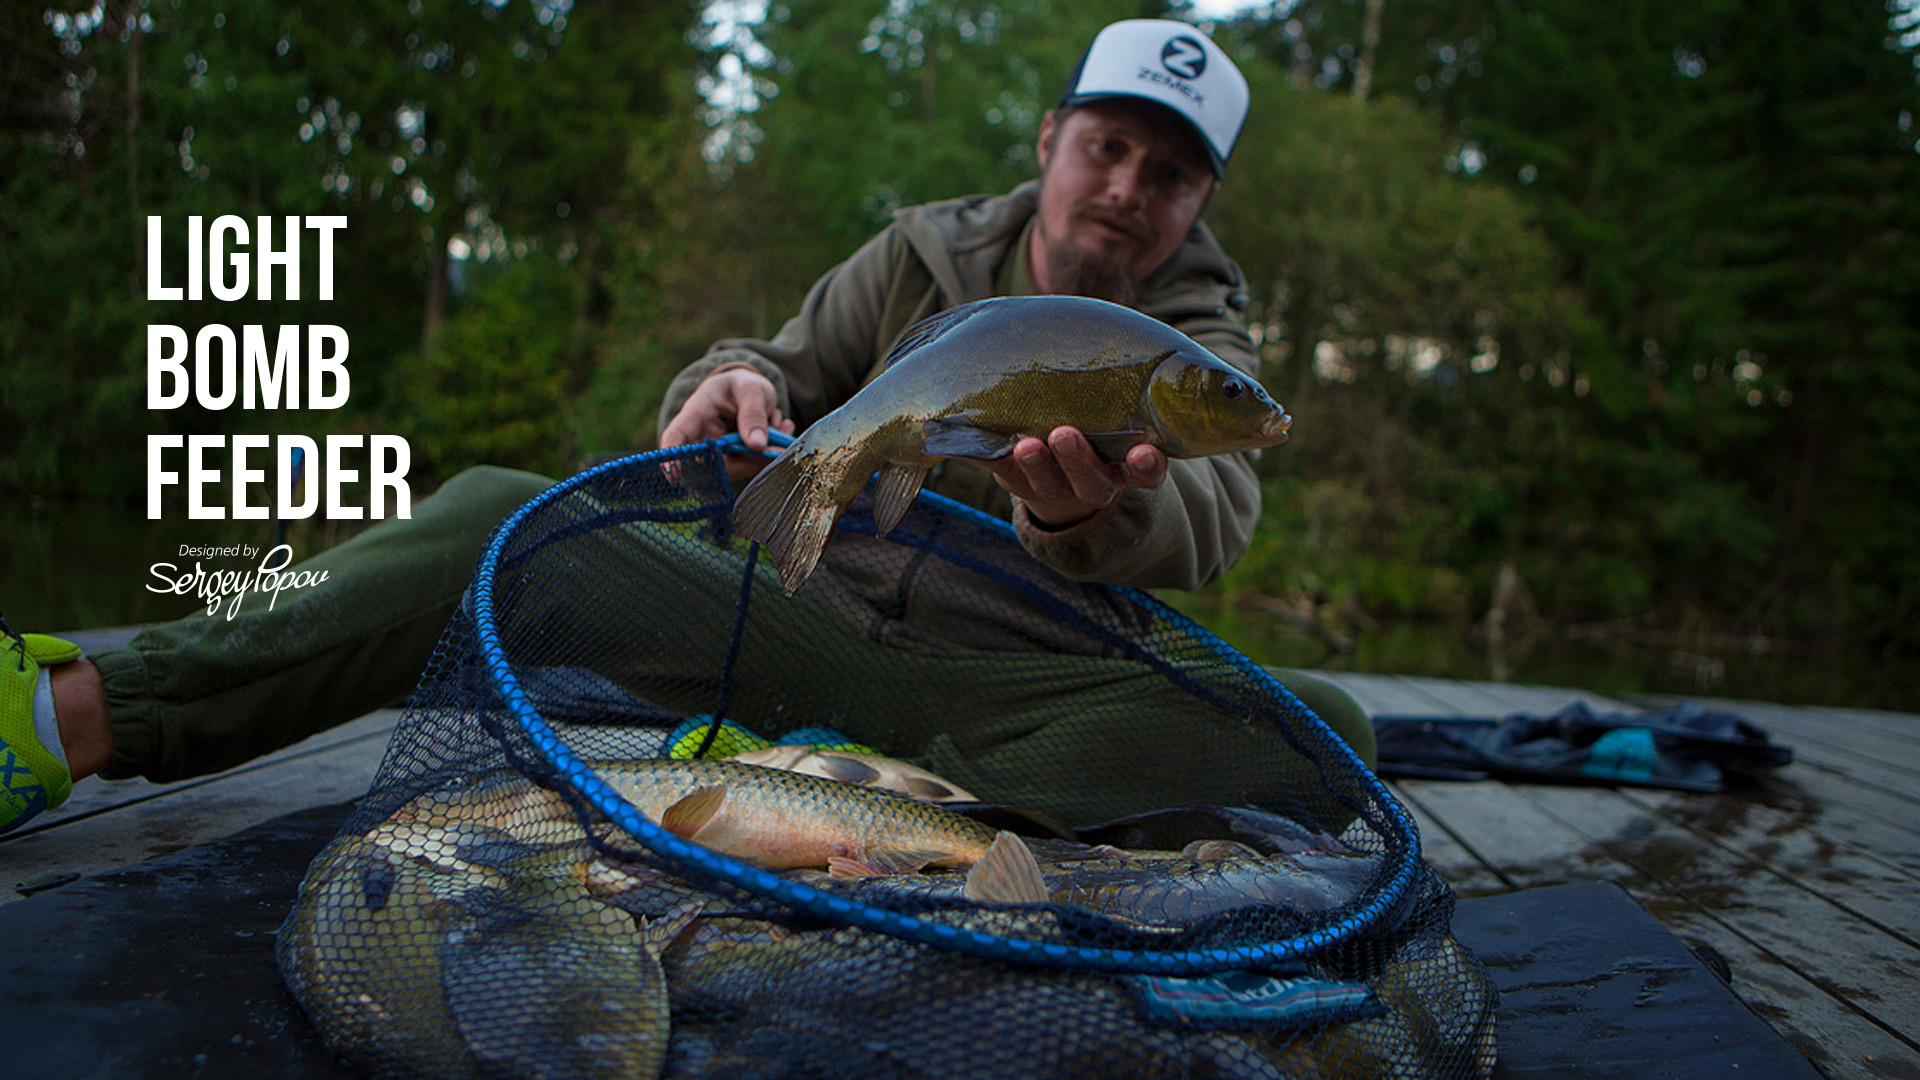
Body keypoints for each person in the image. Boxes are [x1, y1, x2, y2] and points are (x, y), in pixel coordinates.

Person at [1, 20, 1375, 835]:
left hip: (1015, 682)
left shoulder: (1201, 336)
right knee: (493, 511)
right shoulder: (918, 256)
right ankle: (62, 720)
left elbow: (1212, 523)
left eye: (1173, 172)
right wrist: (725, 387)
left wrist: (1092, 511)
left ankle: (886, 802)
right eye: (1109, 147)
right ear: (1050, 137)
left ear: (1201, 202)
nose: (1130, 190)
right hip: (797, 605)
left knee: (1330, 728)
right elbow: (772, 360)